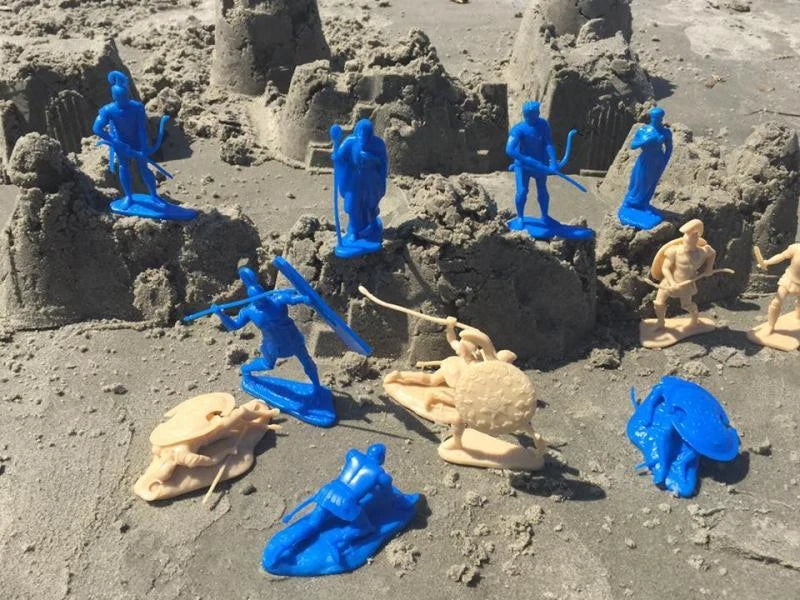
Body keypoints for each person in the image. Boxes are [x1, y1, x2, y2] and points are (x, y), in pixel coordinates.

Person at [265, 444, 393, 565]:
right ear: (381, 458)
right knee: (364, 527)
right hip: (346, 501)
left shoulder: (354, 455)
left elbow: (350, 453)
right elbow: (386, 486)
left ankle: (281, 548)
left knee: (312, 524)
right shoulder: (379, 473)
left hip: (329, 492)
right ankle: (337, 540)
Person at [211, 267, 319, 389]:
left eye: (262, 298)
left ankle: (317, 388)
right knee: (267, 364)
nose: (262, 302)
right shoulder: (249, 311)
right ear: (252, 300)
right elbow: (234, 326)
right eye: (258, 301)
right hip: (272, 345)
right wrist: (221, 314)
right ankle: (246, 369)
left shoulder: (276, 299)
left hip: (293, 339)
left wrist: (305, 298)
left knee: (307, 362)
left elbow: (292, 298)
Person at [93, 71, 163, 209]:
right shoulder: (108, 110)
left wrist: (143, 147)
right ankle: (129, 196)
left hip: (137, 142)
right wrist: (113, 141)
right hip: (120, 143)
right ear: (114, 96)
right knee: (124, 168)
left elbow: (141, 129)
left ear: (128, 95)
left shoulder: (137, 107)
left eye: (124, 96)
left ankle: (154, 196)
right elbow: (97, 128)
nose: (123, 100)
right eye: (119, 97)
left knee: (144, 169)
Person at [331, 119, 389, 245]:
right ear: (357, 133)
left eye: (366, 136)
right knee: (352, 205)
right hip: (354, 181)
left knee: (370, 204)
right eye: (361, 136)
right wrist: (336, 157)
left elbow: (384, 162)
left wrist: (374, 159)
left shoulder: (378, 144)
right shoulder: (350, 142)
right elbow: (340, 157)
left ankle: (372, 225)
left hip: (371, 181)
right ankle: (354, 231)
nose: (363, 139)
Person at [652, 219, 716, 330]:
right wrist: (672, 282)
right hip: (669, 282)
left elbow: (712, 253)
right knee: (659, 302)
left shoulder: (702, 252)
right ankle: (661, 322)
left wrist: (709, 268)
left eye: (690, 241)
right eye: (685, 241)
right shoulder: (674, 251)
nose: (686, 245)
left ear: (696, 241)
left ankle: (695, 320)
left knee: (686, 305)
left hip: (686, 284)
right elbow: (665, 268)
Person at [506, 100, 559, 223]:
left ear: (538, 113)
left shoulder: (543, 125)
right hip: (523, 166)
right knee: (522, 191)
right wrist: (526, 159)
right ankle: (520, 217)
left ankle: (545, 216)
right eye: (528, 114)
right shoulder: (518, 129)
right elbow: (509, 149)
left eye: (534, 114)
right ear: (524, 115)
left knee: (542, 190)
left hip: (540, 164)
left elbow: (548, 143)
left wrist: (553, 161)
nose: (531, 117)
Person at [619, 106, 672, 228]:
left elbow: (669, 147)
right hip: (645, 159)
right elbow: (633, 145)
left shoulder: (665, 132)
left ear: (661, 118)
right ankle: (630, 203)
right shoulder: (644, 130)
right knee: (639, 182)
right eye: (654, 117)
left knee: (652, 183)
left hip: (658, 160)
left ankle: (643, 204)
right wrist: (645, 141)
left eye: (659, 118)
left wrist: (665, 160)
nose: (656, 120)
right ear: (651, 117)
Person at [755, 243, 800, 334]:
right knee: (776, 303)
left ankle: (798, 316)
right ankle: (771, 326)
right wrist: (768, 262)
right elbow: (781, 256)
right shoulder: (796, 248)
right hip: (789, 280)